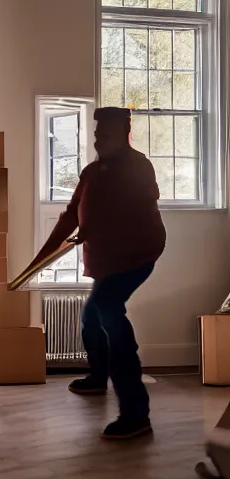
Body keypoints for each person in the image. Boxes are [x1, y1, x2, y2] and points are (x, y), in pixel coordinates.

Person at [33, 107, 166, 439]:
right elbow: (70, 216)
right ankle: (97, 378)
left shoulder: (139, 167)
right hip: (106, 260)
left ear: (124, 134)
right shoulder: (92, 171)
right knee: (91, 317)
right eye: (96, 135)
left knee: (107, 313)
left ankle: (136, 414)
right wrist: (42, 257)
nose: (98, 140)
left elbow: (137, 207)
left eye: (104, 135)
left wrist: (93, 225)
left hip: (136, 257)